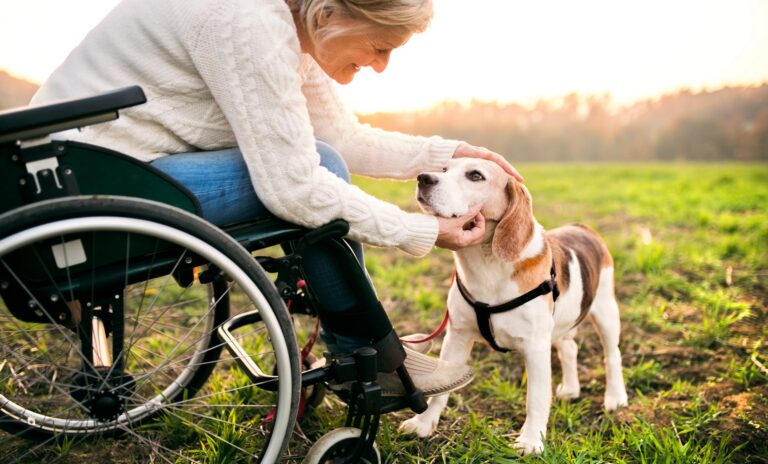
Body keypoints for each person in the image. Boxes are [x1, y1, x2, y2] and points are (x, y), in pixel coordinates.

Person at [32, 0, 522, 397]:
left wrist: (446, 152)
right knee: (317, 171)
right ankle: (368, 355)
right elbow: (295, 186)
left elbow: (338, 134)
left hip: (64, 171)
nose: (380, 65)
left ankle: (368, 347)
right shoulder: (246, 21)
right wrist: (420, 230)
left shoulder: (289, 25)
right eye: (380, 46)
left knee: (321, 158)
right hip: (90, 182)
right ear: (331, 14)